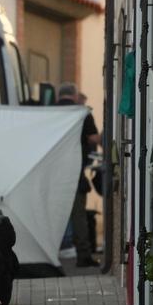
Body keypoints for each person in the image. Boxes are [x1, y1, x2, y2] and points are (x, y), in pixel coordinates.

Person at [58, 82, 100, 267]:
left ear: (58, 96)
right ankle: (83, 255)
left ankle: (48, 254)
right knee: (78, 215)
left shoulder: (48, 111)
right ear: (75, 96)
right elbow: (93, 138)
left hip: (51, 172)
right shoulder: (82, 113)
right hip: (74, 171)